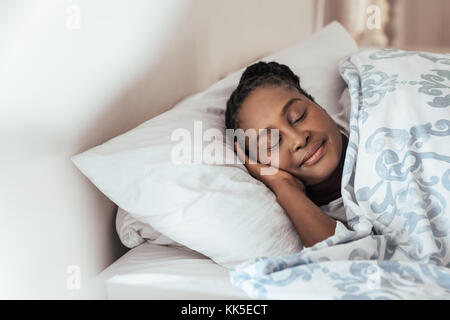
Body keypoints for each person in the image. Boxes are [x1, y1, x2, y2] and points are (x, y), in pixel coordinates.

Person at [225, 61, 349, 247]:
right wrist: (283, 185)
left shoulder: (370, 110)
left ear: (317, 104)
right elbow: (343, 260)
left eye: (298, 116)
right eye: (272, 142)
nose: (298, 140)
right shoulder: (311, 219)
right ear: (260, 164)